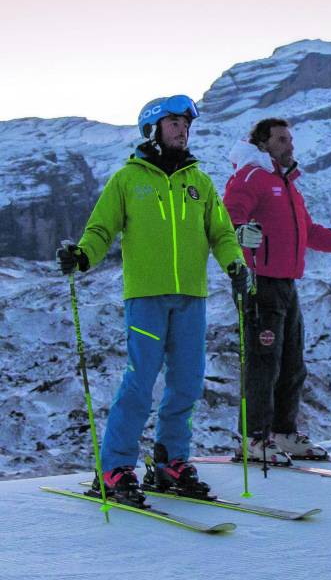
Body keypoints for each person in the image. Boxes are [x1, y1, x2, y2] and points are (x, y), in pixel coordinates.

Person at [56, 94, 246, 504]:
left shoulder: (199, 181)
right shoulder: (127, 179)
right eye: (174, 122)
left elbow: (223, 233)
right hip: (145, 297)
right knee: (140, 382)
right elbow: (101, 229)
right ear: (153, 128)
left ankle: (169, 462)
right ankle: (114, 467)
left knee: (188, 383)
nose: (183, 129)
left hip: (192, 297)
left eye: (186, 123)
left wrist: (235, 264)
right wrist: (83, 255)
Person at [222, 118, 331, 463]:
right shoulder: (251, 176)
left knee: (292, 363)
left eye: (290, 139)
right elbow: (227, 221)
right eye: (281, 139)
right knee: (264, 363)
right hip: (259, 281)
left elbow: (309, 232)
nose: (290, 145)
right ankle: (254, 440)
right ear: (262, 144)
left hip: (286, 283)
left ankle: (283, 433)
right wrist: (240, 233)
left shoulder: (287, 183)